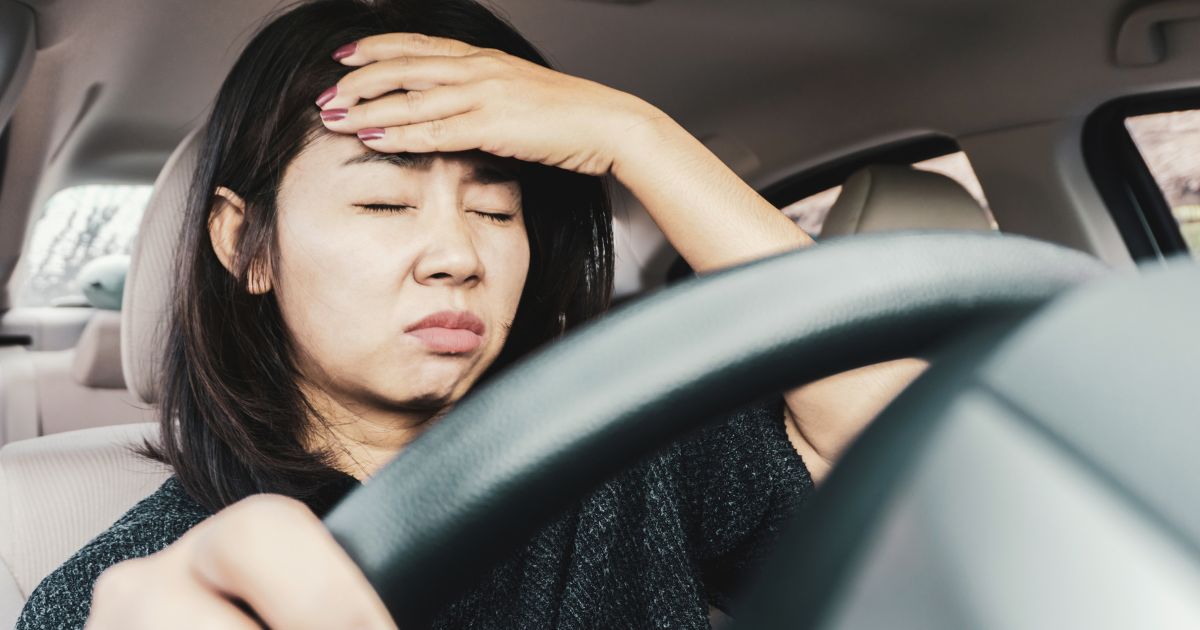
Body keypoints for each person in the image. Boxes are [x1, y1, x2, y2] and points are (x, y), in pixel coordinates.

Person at [16, 0, 925, 628]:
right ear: (244, 244)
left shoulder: (629, 459)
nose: (460, 255)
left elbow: (907, 455)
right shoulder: (130, 590)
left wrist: (635, 135)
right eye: (384, 205)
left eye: (496, 211)